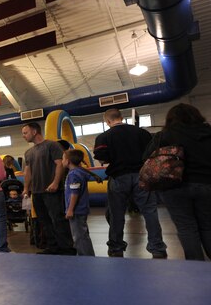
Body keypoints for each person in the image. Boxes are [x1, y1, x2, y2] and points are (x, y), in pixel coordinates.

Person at [92, 108, 166, 258]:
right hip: (141, 175)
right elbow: (152, 153)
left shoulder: (104, 137)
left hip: (119, 177)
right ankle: (157, 248)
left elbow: (102, 158)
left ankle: (116, 247)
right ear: (121, 117)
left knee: (116, 214)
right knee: (150, 212)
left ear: (107, 121)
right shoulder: (142, 133)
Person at [144, 103, 211, 260]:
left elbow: (146, 156)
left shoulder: (165, 135)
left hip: (174, 187)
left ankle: (196, 267)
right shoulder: (208, 132)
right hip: (207, 185)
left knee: (186, 227)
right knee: (208, 226)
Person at [22, 121, 76, 255]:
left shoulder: (52, 145)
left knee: (58, 219)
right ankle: (53, 247)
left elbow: (59, 164)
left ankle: (67, 248)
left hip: (51, 191)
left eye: (25, 132)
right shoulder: (28, 152)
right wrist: (26, 188)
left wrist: (56, 183)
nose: (23, 136)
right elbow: (27, 171)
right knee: (44, 221)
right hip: (37, 192)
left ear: (34, 132)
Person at [63, 149, 95, 256]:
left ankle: (86, 257)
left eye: (63, 159)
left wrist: (70, 209)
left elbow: (74, 193)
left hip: (77, 211)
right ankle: (86, 255)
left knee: (79, 237)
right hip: (81, 209)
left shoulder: (74, 174)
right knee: (82, 234)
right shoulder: (80, 172)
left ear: (68, 161)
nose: (62, 161)